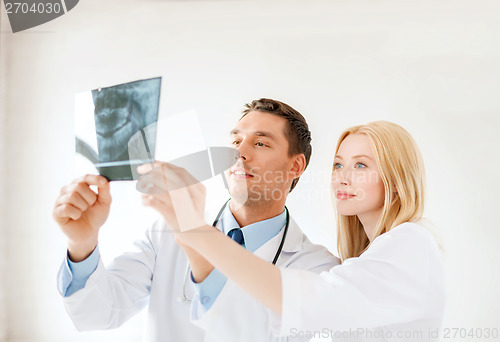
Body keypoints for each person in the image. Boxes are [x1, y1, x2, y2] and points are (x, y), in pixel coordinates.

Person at [53, 98, 340, 342]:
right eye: (236, 140)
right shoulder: (164, 233)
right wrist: (82, 243)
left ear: (295, 165)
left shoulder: (317, 269)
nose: (239, 152)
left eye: (261, 143)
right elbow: (97, 313)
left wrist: (195, 235)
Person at [150, 120, 446, 341]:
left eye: (360, 165)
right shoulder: (364, 260)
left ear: (395, 181)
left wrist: (196, 231)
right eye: (338, 164)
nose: (342, 177)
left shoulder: (411, 243)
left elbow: (309, 303)